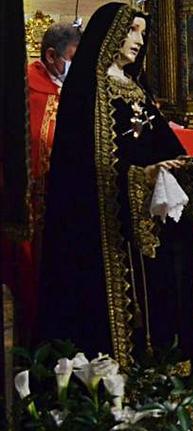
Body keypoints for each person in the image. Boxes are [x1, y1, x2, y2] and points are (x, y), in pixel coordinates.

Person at [39, 3, 193, 370]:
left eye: (143, 33)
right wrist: (140, 176)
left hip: (145, 221)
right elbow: (83, 168)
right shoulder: (87, 90)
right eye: (132, 30)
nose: (138, 39)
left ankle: (160, 374)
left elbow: (163, 146)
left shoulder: (136, 88)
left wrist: (191, 168)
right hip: (104, 231)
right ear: (110, 33)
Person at [0, 23, 80, 347]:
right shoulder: (25, 90)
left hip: (69, 211)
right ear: (51, 55)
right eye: (71, 58)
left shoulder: (73, 89)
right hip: (35, 212)